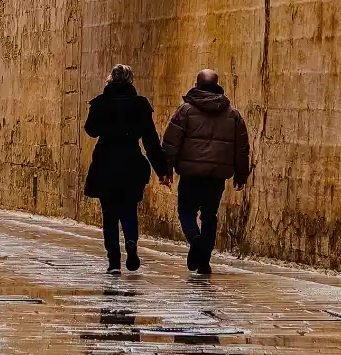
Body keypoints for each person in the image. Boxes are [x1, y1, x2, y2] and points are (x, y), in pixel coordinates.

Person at [83, 65, 171, 274]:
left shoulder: (100, 103)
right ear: (131, 80)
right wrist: (162, 170)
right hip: (131, 162)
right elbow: (150, 141)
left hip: (106, 162)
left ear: (110, 79)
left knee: (109, 214)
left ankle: (114, 261)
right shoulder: (140, 105)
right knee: (129, 210)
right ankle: (131, 243)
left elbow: (91, 130)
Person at [162, 68, 250, 276]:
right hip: (216, 176)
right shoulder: (233, 114)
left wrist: (166, 170)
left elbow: (171, 143)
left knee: (186, 213)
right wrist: (241, 175)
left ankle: (196, 241)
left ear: (196, 85)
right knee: (210, 216)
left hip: (190, 174)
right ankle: (204, 262)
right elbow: (241, 147)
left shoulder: (185, 111)